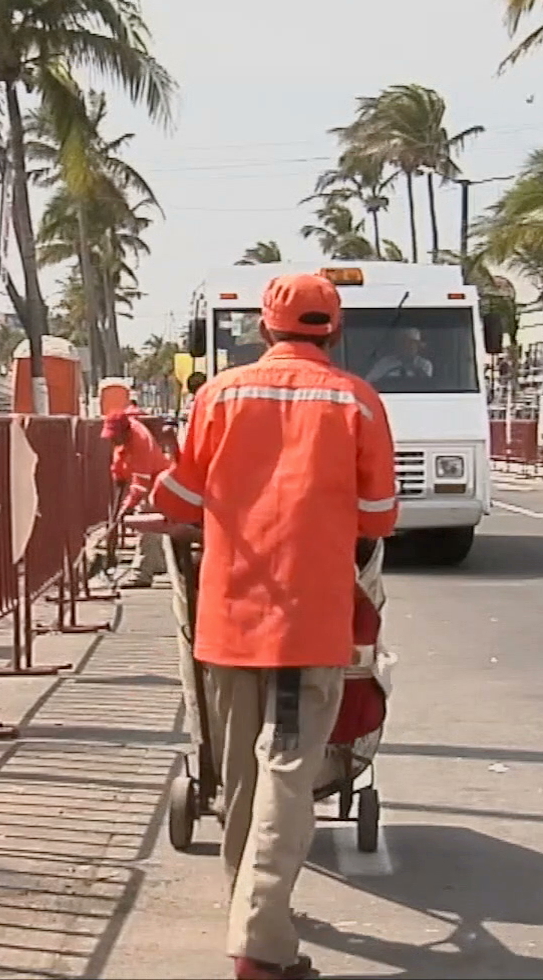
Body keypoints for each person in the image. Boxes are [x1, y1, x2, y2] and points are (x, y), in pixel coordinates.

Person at [152, 272, 398, 980]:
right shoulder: (357, 401)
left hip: (229, 619)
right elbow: (379, 514)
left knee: (237, 777)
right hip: (307, 625)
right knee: (287, 775)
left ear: (264, 331)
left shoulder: (218, 395)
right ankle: (260, 941)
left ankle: (250, 913)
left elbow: (184, 493)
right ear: (335, 330)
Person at [105, 409, 173, 588]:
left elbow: (140, 484)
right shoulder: (123, 435)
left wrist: (127, 506)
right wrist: (118, 476)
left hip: (158, 481)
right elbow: (119, 455)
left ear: (125, 432)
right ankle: (157, 563)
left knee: (147, 521)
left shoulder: (140, 440)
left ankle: (141, 573)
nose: (112, 440)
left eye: (115, 436)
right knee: (150, 524)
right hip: (150, 479)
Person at [364, 326, 433, 384]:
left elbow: (427, 385)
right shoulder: (385, 362)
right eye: (405, 343)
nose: (408, 346)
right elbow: (369, 381)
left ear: (418, 346)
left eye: (412, 343)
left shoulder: (424, 364)